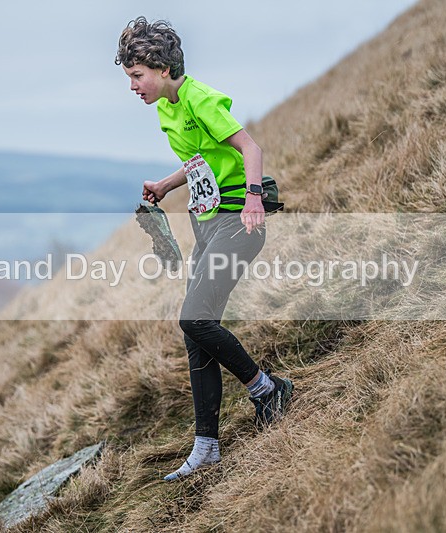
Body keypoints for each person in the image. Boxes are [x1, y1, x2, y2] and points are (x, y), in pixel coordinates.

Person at [115, 16, 293, 481]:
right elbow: (202, 159)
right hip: (208, 225)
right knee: (196, 332)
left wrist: (254, 198)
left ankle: (266, 388)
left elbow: (248, 148)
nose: (133, 85)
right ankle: (207, 446)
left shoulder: (200, 97)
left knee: (193, 318)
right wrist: (168, 185)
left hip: (239, 221)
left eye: (136, 75)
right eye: (129, 77)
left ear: (161, 67)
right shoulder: (166, 109)